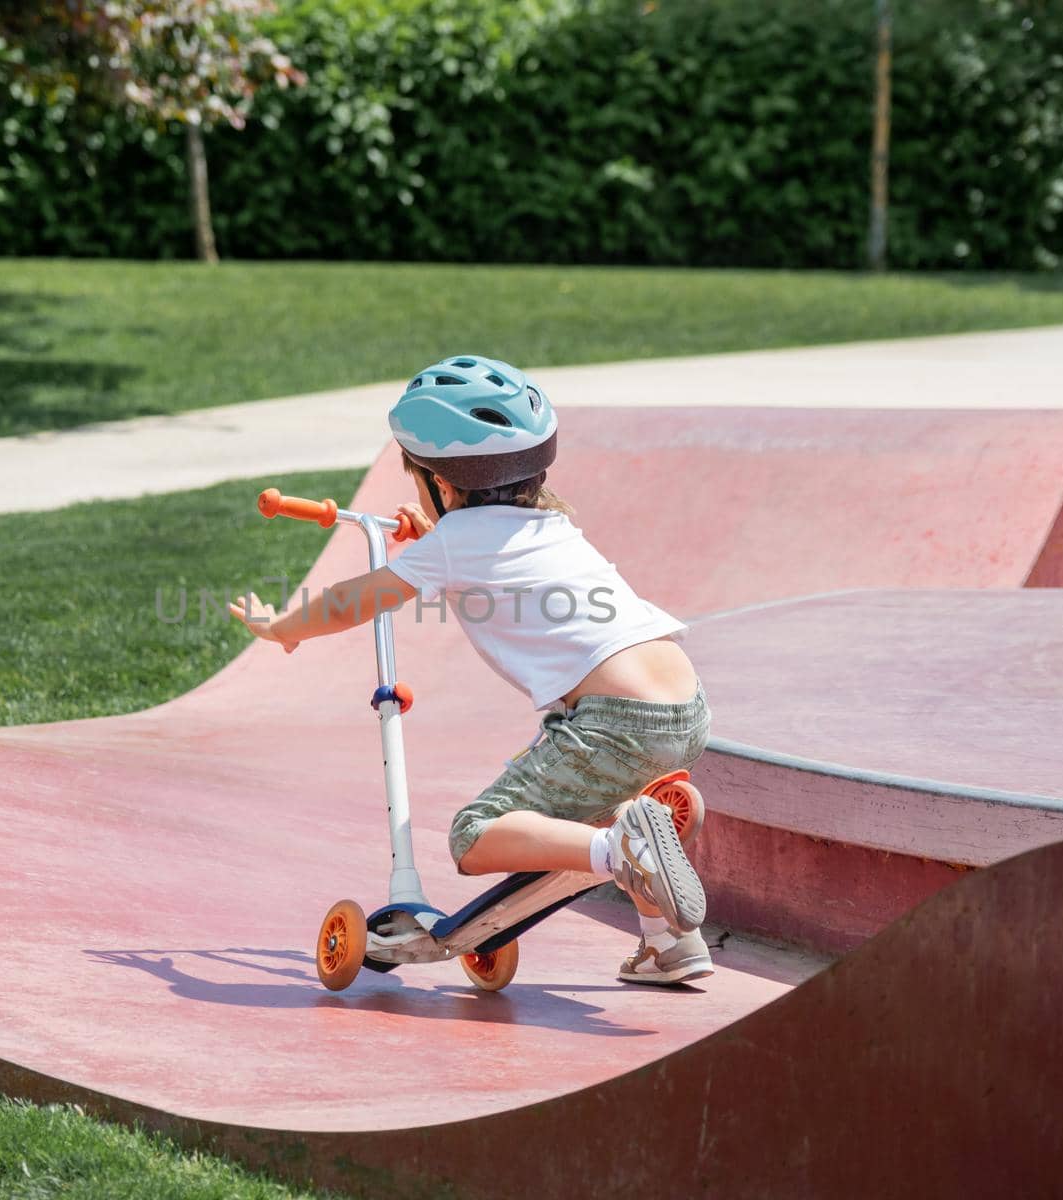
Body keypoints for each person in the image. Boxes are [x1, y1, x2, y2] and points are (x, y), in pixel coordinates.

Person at [231, 355, 713, 985]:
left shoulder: (453, 546)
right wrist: (435, 535)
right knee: (611, 798)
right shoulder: (552, 523)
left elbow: (352, 601)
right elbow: (494, 554)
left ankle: (618, 850)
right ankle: (668, 943)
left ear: (441, 481)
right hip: (685, 703)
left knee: (475, 835)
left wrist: (284, 629)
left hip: (613, 721)